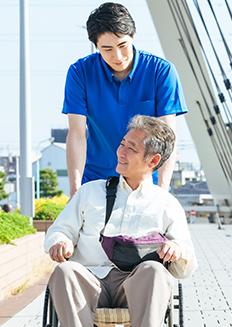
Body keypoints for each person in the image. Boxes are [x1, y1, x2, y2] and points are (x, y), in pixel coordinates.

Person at [45, 115, 196, 327]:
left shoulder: (166, 204)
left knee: (155, 270)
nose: (121, 152)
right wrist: (60, 241)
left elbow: (187, 261)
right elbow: (60, 229)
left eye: (131, 148)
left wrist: (177, 248)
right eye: (122, 144)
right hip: (90, 280)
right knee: (64, 271)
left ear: (152, 161)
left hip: (135, 286)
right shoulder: (90, 192)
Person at [62, 2, 187, 196]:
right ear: (96, 46)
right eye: (107, 49)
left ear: (133, 37)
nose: (117, 56)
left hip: (148, 185)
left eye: (123, 46)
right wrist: (75, 191)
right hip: (97, 183)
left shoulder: (161, 71)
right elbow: (77, 134)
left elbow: (167, 138)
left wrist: (161, 192)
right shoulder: (80, 73)